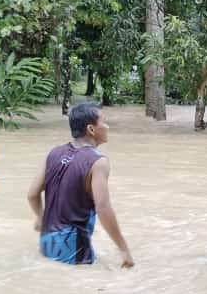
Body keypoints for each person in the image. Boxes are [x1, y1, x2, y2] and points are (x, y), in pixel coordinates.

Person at [27, 102, 134, 267]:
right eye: (104, 122)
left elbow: (32, 194)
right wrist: (124, 250)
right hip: (73, 246)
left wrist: (41, 218)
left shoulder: (54, 153)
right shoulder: (98, 162)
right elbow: (103, 208)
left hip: (46, 240)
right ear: (91, 129)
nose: (107, 126)